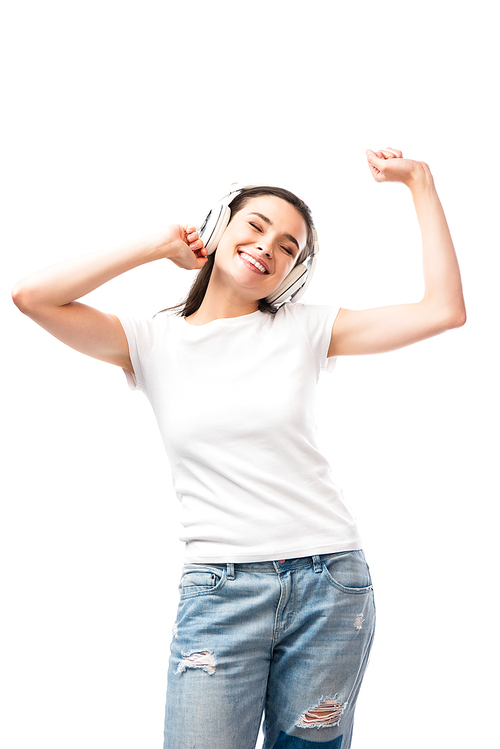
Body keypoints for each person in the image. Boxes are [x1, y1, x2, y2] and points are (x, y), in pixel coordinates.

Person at [12, 147, 466, 749]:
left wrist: (421, 184)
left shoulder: (306, 328)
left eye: (288, 248)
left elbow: (444, 311)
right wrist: (159, 243)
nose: (268, 248)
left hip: (329, 582)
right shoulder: (149, 340)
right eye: (256, 227)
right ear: (218, 227)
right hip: (220, 590)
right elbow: (31, 296)